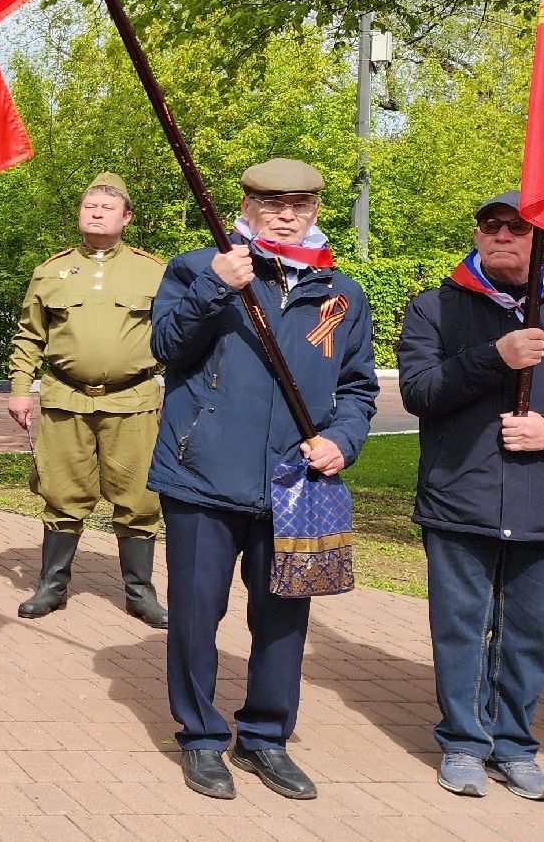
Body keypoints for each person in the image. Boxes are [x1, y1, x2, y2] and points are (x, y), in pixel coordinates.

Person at [150, 158, 377, 802]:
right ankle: (199, 737)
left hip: (295, 483)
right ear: (245, 203)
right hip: (202, 476)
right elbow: (165, 346)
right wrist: (213, 289)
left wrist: (343, 439)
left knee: (283, 615)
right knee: (197, 613)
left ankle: (266, 737)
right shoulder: (199, 268)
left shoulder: (340, 293)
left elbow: (358, 388)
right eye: (270, 200)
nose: (284, 212)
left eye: (299, 203)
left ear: (314, 209)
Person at [396, 191, 544, 801]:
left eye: (518, 227)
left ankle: (516, 747)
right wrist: (492, 358)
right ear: (478, 235)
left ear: (543, 238)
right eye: (491, 226)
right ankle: (462, 742)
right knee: (460, 628)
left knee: (529, 633)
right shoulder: (434, 309)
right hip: (461, 499)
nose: (503, 235)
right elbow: (421, 392)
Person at [5, 174, 169, 627]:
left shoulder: (153, 271)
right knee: (62, 494)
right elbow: (28, 336)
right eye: (89, 205)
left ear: (126, 217)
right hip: (65, 399)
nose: (96, 212)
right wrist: (21, 389)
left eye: (107, 207)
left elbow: (177, 336)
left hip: (132, 401)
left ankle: (140, 593)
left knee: (139, 499)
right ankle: (51, 588)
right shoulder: (51, 270)